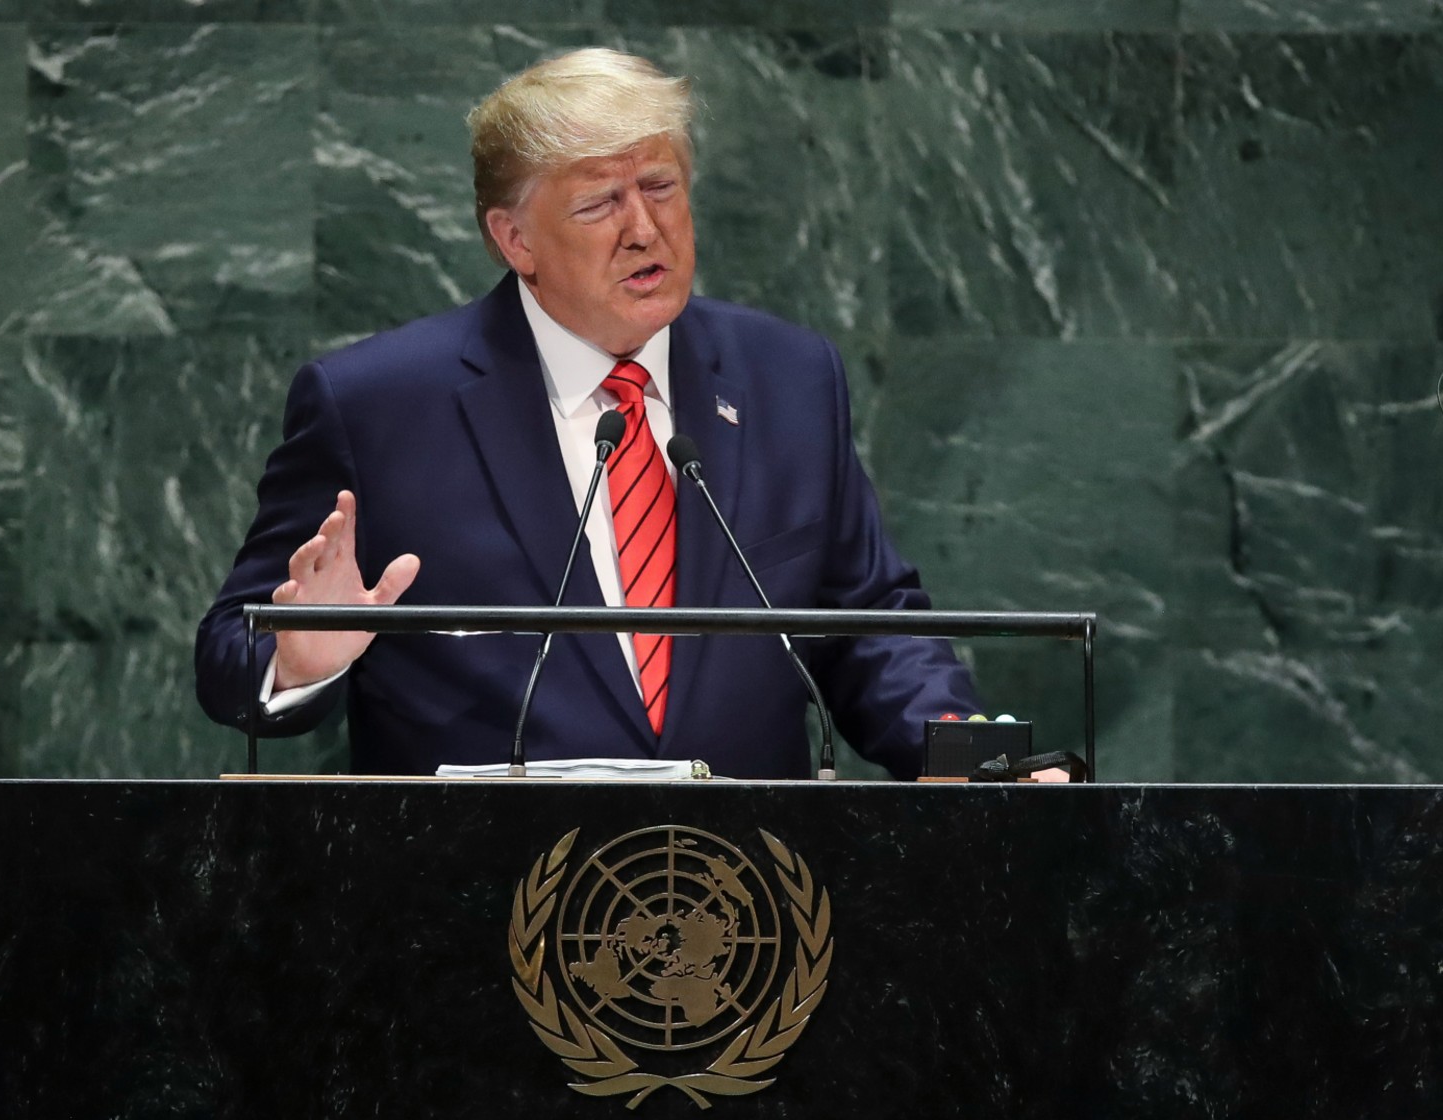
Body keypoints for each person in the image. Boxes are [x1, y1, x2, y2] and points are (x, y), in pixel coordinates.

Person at [194, 48, 979, 779]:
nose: (645, 228)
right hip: (473, 894)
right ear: (515, 240)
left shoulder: (789, 377)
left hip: (749, 897)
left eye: (661, 187)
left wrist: (973, 758)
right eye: (600, 202)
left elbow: (869, 622)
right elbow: (230, 654)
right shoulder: (378, 405)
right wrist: (297, 657)